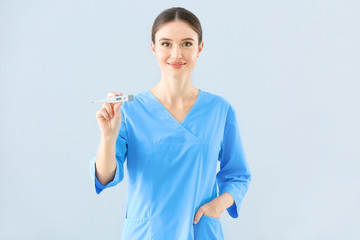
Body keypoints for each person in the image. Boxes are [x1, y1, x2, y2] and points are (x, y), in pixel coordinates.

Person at [89, 7, 251, 240]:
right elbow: (104, 177)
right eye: (166, 44)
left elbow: (238, 175)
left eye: (186, 44)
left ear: (199, 48)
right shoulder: (131, 111)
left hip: (199, 231)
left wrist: (217, 206)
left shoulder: (219, 110)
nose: (176, 54)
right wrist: (107, 136)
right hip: (147, 234)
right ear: (153, 48)